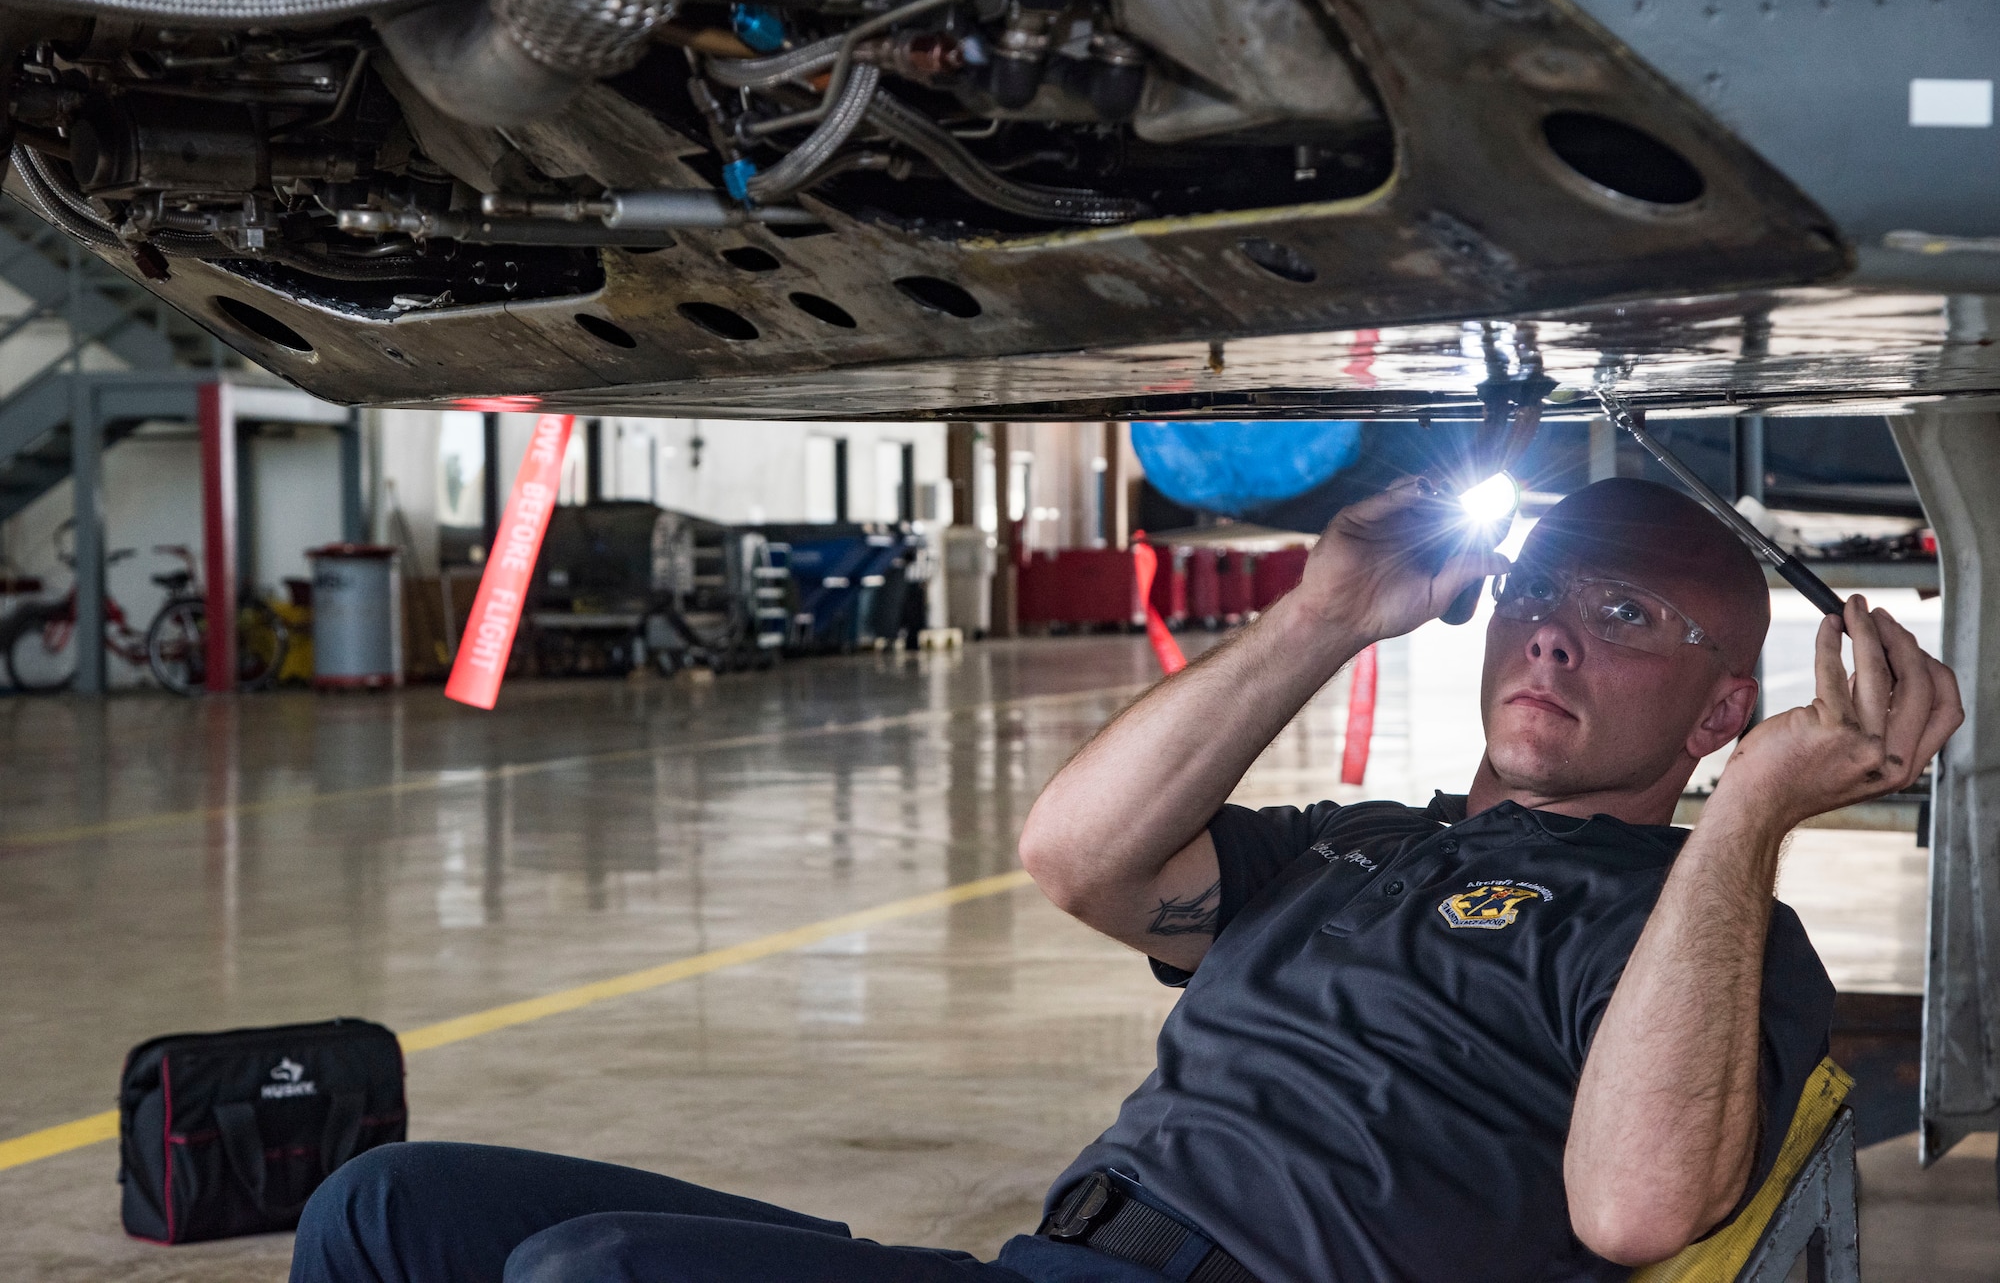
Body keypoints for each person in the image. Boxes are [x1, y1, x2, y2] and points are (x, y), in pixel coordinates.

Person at [290, 476, 1961, 1283]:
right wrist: (1325, 613)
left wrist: (1750, 819)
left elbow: (1639, 1212)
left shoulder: (1699, 930)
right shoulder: (1357, 847)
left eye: (1624, 618)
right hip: (1052, 1267)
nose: (1550, 631)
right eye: (1540, 591)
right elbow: (1078, 862)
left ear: (1725, 703)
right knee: (389, 1213)